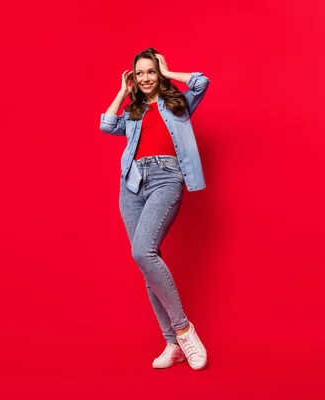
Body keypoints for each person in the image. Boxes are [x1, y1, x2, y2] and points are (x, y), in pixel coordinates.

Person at [99, 48, 210, 370]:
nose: (146, 78)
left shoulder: (178, 103)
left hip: (166, 177)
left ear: (158, 72)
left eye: (151, 72)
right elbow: (107, 125)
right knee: (148, 262)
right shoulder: (133, 112)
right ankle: (172, 343)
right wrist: (122, 92)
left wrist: (168, 72)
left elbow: (202, 82)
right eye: (141, 74)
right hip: (132, 183)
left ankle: (184, 329)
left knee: (142, 252)